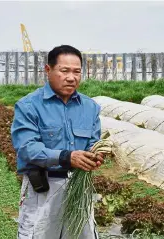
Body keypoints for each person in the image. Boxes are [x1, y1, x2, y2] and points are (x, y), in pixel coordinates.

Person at [11, 45, 104, 239]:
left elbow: (93, 143)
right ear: (48, 70)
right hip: (43, 189)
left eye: (77, 72)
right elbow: (27, 148)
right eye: (64, 71)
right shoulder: (29, 106)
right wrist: (66, 157)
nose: (71, 77)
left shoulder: (90, 107)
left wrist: (96, 155)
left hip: (79, 188)